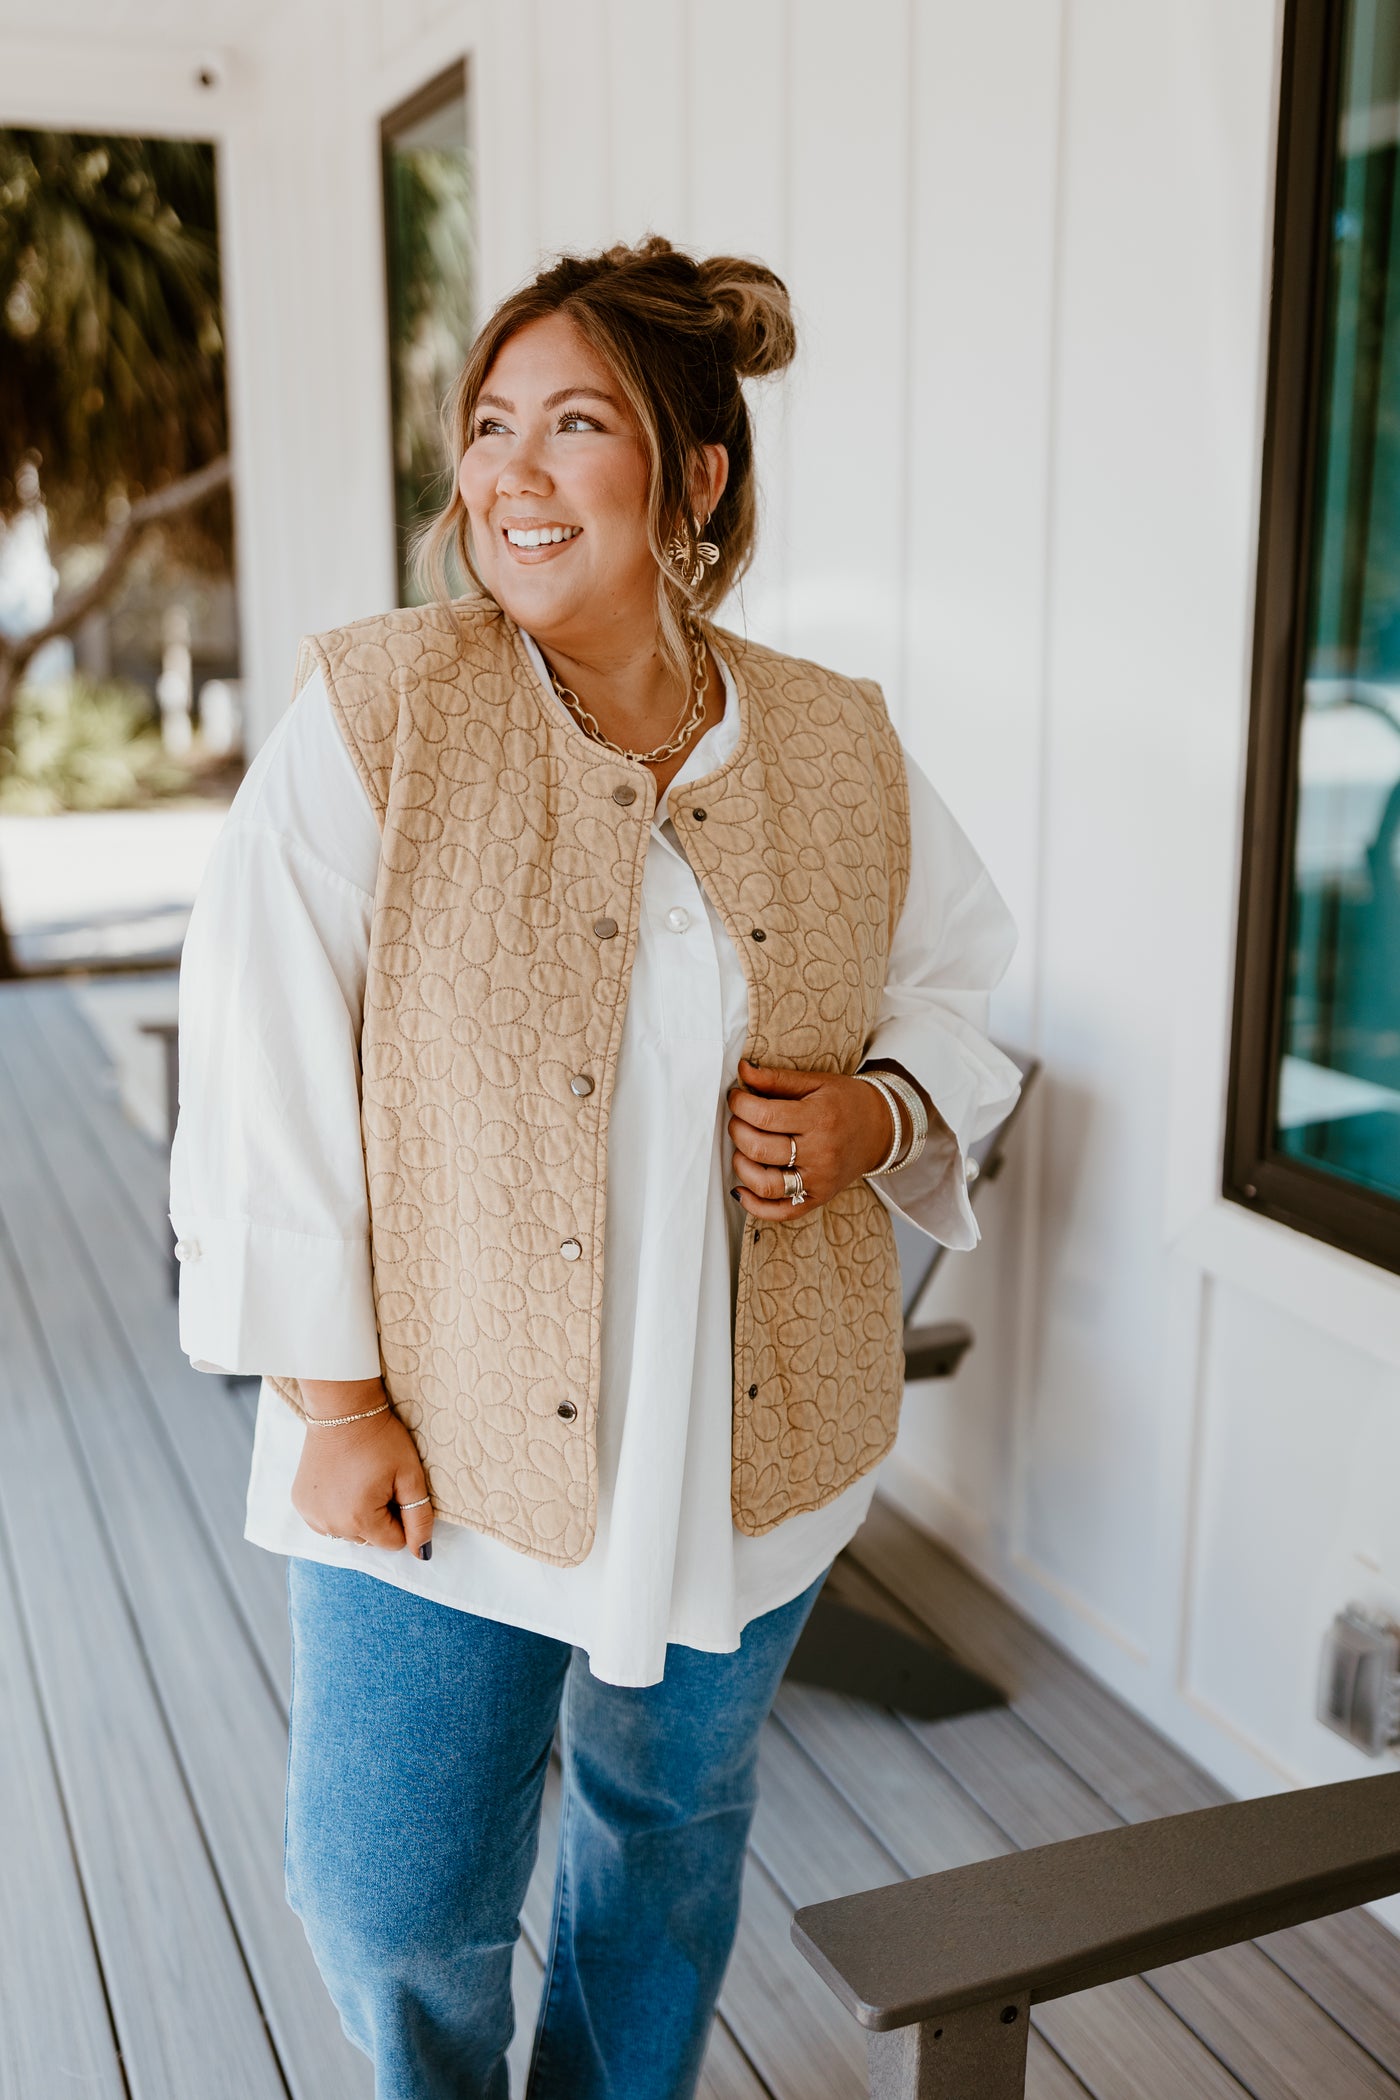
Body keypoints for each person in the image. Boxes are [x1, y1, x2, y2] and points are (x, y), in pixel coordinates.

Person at [171, 235, 1020, 2100]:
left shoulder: (831, 737)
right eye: (490, 427)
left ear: (693, 476)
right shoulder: (380, 711)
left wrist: (879, 1110)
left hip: (748, 1434)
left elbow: (968, 978)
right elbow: (256, 1055)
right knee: (387, 1899)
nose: (512, 475)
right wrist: (331, 1395)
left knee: (668, 1824)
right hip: (438, 1446)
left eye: (576, 425)